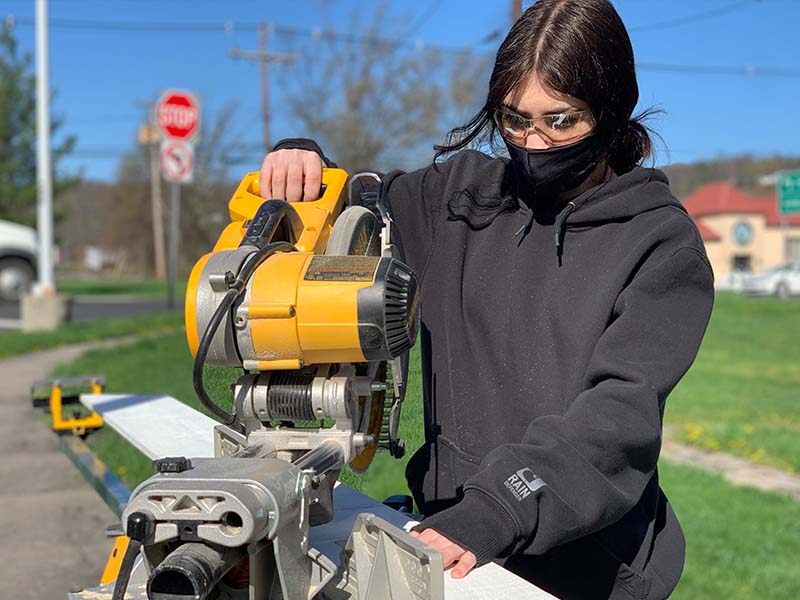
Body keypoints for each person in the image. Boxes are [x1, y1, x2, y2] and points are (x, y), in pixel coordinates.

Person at [258, 1, 714, 598]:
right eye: (514, 119)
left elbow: (617, 421)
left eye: (561, 120)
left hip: (587, 573)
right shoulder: (460, 198)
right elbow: (356, 203)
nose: (533, 142)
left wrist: (498, 508)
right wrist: (307, 164)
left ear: (611, 112)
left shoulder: (661, 244)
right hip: (451, 543)